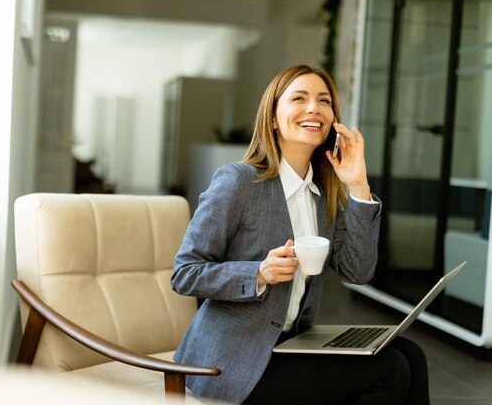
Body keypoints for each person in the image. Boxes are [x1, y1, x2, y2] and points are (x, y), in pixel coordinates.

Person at [170, 64, 429, 405]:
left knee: (411, 354)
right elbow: (184, 273)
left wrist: (359, 187)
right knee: (390, 369)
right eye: (299, 98)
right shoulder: (237, 182)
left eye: (324, 100)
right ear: (273, 118)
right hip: (232, 362)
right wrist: (258, 273)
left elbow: (357, 271)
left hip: (291, 343)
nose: (314, 108)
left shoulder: (323, 194)